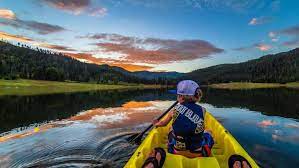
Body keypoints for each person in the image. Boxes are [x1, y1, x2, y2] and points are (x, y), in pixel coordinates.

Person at [153, 80, 214, 158]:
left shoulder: (174, 110)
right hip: (199, 153)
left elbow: (163, 124)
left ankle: (171, 144)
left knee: (171, 129)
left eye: (178, 95)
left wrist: (156, 123)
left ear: (181, 97)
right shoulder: (203, 110)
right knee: (208, 132)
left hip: (175, 152)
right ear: (196, 96)